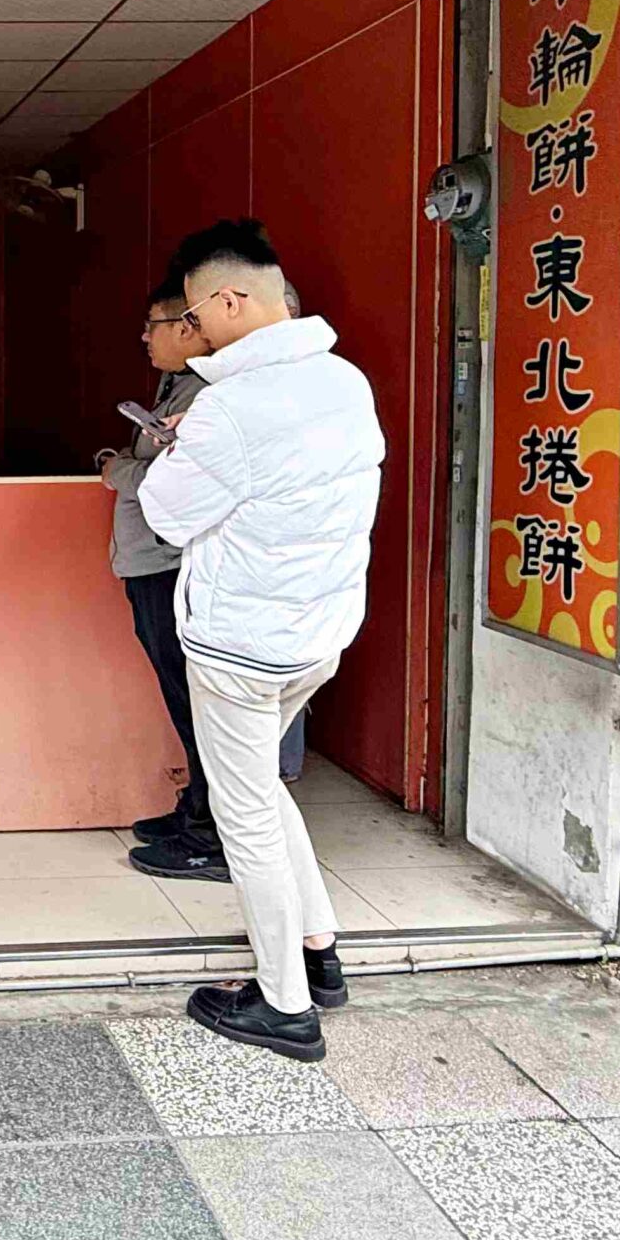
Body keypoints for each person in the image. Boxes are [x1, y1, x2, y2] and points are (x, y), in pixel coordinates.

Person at [139, 220, 383, 1062]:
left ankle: (283, 1005)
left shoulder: (232, 408)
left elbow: (166, 513)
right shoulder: (346, 383)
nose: (193, 331)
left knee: (244, 815)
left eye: (198, 315)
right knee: (269, 796)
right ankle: (321, 957)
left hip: (241, 647)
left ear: (233, 299)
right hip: (317, 636)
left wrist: (179, 456)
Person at [102, 278, 223, 882]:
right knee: (183, 699)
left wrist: (113, 468)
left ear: (187, 327)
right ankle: (196, 811)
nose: (144, 336)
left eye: (154, 324)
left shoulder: (208, 394)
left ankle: (210, 835)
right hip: (150, 560)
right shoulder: (177, 385)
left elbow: (173, 479)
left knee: (193, 699)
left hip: (170, 564)